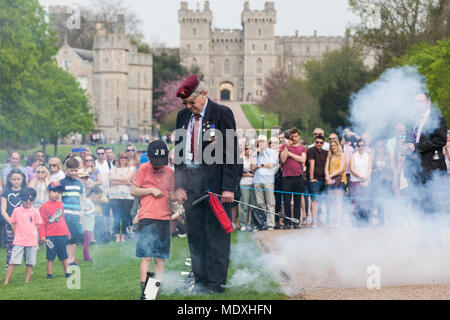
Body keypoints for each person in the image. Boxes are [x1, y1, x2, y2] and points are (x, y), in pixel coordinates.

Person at [173, 74, 238, 294]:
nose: (189, 106)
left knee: (217, 233)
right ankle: (200, 281)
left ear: (203, 95)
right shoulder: (183, 117)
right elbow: (179, 154)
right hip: (191, 182)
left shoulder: (222, 114)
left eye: (191, 102)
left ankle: (216, 283)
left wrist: (229, 186)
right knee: (196, 233)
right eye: (185, 103)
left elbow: (231, 152)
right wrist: (179, 186)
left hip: (216, 184)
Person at [130, 140, 175, 293]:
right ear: (148, 157)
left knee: (160, 257)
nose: (158, 165)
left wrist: (179, 198)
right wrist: (150, 190)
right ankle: (144, 289)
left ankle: (156, 289)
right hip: (147, 217)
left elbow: (172, 195)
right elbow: (133, 191)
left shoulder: (170, 172)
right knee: (146, 256)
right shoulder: (143, 168)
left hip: (164, 218)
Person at [4, 188, 42, 284]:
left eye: (31, 199)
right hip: (19, 241)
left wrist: (36, 242)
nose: (28, 201)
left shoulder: (35, 212)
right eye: (26, 199)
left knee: (30, 262)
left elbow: (37, 226)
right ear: (21, 199)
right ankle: (6, 281)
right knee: (13, 261)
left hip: (31, 241)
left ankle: (27, 281)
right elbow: (12, 222)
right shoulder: (16, 210)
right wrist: (16, 233)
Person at [39, 182, 71, 279]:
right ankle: (49, 274)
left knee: (64, 255)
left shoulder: (61, 205)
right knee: (50, 256)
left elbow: (63, 219)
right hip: (50, 236)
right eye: (54, 191)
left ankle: (67, 273)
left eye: (59, 192)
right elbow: (42, 223)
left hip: (62, 234)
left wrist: (68, 232)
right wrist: (42, 236)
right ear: (49, 192)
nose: (57, 194)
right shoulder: (45, 206)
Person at [280, 127, 307, 229]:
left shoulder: (302, 148)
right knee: (286, 201)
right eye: (292, 136)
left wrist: (290, 154)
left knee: (297, 201)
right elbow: (283, 160)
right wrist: (287, 148)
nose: (294, 138)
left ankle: (296, 221)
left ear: (299, 136)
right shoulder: (284, 146)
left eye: (296, 136)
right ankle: (287, 222)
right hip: (286, 177)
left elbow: (302, 160)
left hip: (298, 177)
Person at [1, 169, 27, 270]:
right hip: (10, 223)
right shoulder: (6, 193)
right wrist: (11, 221)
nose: (16, 181)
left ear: (22, 179)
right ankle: (9, 266)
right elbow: (3, 209)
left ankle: (28, 266)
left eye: (18, 179)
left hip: (24, 224)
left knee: (26, 246)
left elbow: (29, 208)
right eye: (14, 179)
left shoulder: (25, 192)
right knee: (11, 246)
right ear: (9, 179)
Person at [252, 135, 278, 231]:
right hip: (257, 180)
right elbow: (252, 167)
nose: (261, 143)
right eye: (259, 142)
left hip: (268, 180)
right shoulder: (255, 153)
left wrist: (259, 166)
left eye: (263, 141)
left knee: (270, 203)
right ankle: (261, 223)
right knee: (260, 203)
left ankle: (270, 223)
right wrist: (256, 154)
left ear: (266, 143)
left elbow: (270, 164)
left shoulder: (272, 152)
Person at [60, 157, 84, 265]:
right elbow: (59, 198)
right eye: (71, 170)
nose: (74, 172)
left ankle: (72, 258)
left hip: (76, 214)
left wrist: (82, 212)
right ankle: (67, 259)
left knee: (74, 236)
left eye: (76, 170)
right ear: (66, 170)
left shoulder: (79, 183)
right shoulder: (62, 183)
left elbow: (81, 199)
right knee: (67, 236)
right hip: (66, 214)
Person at [109, 151, 135, 242]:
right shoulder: (113, 168)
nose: (123, 159)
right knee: (116, 216)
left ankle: (123, 235)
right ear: (118, 159)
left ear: (127, 159)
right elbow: (111, 181)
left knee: (125, 217)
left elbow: (129, 178)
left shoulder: (131, 168)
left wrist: (117, 179)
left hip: (127, 196)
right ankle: (116, 236)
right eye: (121, 157)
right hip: (114, 196)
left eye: (125, 157)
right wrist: (125, 181)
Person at [349, 139, 373, 227]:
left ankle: (367, 221)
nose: (361, 147)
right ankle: (355, 221)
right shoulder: (353, 156)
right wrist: (361, 177)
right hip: (355, 181)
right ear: (356, 147)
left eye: (362, 145)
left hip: (366, 181)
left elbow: (370, 167)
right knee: (355, 201)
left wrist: (366, 177)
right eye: (359, 145)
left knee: (366, 201)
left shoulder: (368, 156)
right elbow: (351, 168)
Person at [306, 135, 328, 227]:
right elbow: (312, 164)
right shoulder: (311, 150)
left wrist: (327, 177)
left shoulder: (326, 152)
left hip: (323, 179)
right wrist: (311, 178)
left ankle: (318, 220)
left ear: (323, 143)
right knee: (314, 200)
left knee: (321, 201)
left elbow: (327, 166)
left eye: (321, 142)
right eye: (317, 142)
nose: (319, 144)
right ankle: (314, 221)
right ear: (314, 142)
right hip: (314, 179)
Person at [324, 140, 346, 227]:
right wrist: (327, 175)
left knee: (338, 201)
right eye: (332, 146)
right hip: (330, 180)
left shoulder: (342, 155)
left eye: (335, 145)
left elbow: (341, 169)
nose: (333, 147)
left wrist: (330, 175)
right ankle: (333, 220)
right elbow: (326, 167)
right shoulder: (329, 156)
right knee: (331, 201)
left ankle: (338, 221)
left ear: (338, 146)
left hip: (339, 179)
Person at [81, 186, 103, 262]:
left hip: (89, 225)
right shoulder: (87, 202)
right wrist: (94, 210)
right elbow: (84, 212)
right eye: (98, 196)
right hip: (86, 225)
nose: (98, 199)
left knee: (87, 242)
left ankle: (86, 257)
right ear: (93, 194)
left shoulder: (90, 202)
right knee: (87, 242)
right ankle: (87, 257)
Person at [94, 146, 112, 243]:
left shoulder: (109, 164)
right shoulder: (94, 164)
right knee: (98, 215)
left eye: (102, 153)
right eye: (98, 154)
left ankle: (107, 234)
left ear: (105, 154)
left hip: (107, 192)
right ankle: (99, 235)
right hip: (97, 193)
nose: (100, 155)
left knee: (107, 215)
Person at [239, 144, 256, 231]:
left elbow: (257, 172)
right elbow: (239, 171)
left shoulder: (255, 159)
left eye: (250, 148)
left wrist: (250, 174)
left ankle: (252, 224)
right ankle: (243, 223)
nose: (248, 150)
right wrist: (249, 174)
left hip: (254, 184)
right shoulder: (242, 159)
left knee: (253, 205)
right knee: (244, 204)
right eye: (246, 149)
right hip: (244, 183)